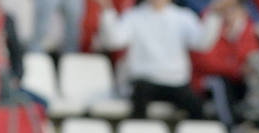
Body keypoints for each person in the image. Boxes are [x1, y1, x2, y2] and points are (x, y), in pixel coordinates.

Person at [98, 0, 233, 121]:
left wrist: (214, 14)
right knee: (138, 109)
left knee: (198, 110)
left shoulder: (182, 17)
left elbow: (202, 43)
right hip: (144, 81)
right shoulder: (134, 16)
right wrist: (107, 11)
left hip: (176, 82)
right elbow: (114, 40)